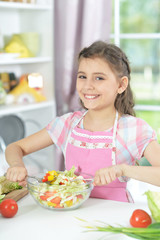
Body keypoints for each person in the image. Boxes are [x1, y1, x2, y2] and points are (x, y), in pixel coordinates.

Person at [5, 41, 160, 202]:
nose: (88, 85)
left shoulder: (133, 129)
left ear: (121, 85)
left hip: (114, 218)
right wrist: (17, 165)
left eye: (99, 78)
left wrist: (123, 170)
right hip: (72, 213)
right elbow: (15, 147)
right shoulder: (68, 124)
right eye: (82, 76)